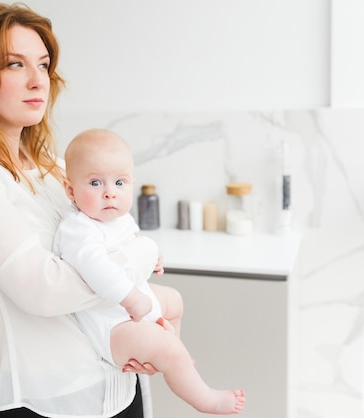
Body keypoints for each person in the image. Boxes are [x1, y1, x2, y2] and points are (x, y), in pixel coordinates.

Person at [0, 3, 159, 417]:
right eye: (15, 64)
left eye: (43, 64)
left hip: (119, 378)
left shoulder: (54, 168)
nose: (37, 80)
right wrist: (145, 253)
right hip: (53, 399)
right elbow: (43, 290)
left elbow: (111, 238)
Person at [54, 128, 246, 415]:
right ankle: (204, 397)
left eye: (119, 182)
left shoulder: (120, 219)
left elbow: (135, 244)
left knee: (175, 300)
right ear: (71, 190)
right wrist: (131, 298)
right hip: (111, 325)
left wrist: (152, 256)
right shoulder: (78, 228)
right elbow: (97, 269)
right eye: (95, 182)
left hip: (134, 305)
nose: (109, 192)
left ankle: (176, 354)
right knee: (167, 350)